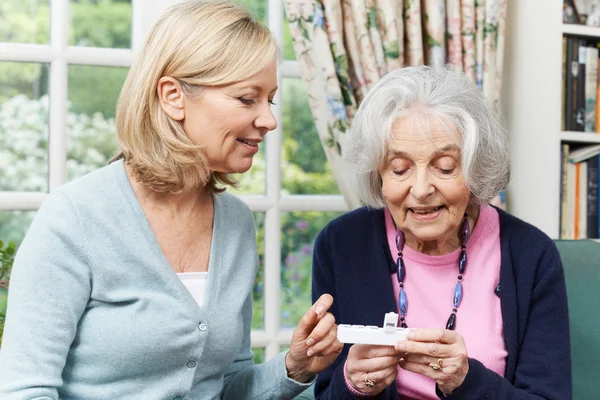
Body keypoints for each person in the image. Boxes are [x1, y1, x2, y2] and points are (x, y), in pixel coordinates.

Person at [0, 1, 342, 398]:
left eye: (271, 100)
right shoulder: (75, 218)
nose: (269, 119)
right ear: (173, 96)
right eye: (248, 99)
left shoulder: (234, 223)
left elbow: (228, 385)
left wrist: (294, 367)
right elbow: (24, 389)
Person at [312, 66, 571, 399]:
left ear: (475, 167)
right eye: (400, 168)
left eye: (444, 167)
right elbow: (325, 392)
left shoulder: (530, 254)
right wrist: (354, 386)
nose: (421, 190)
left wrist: (465, 380)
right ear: (379, 173)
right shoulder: (341, 244)